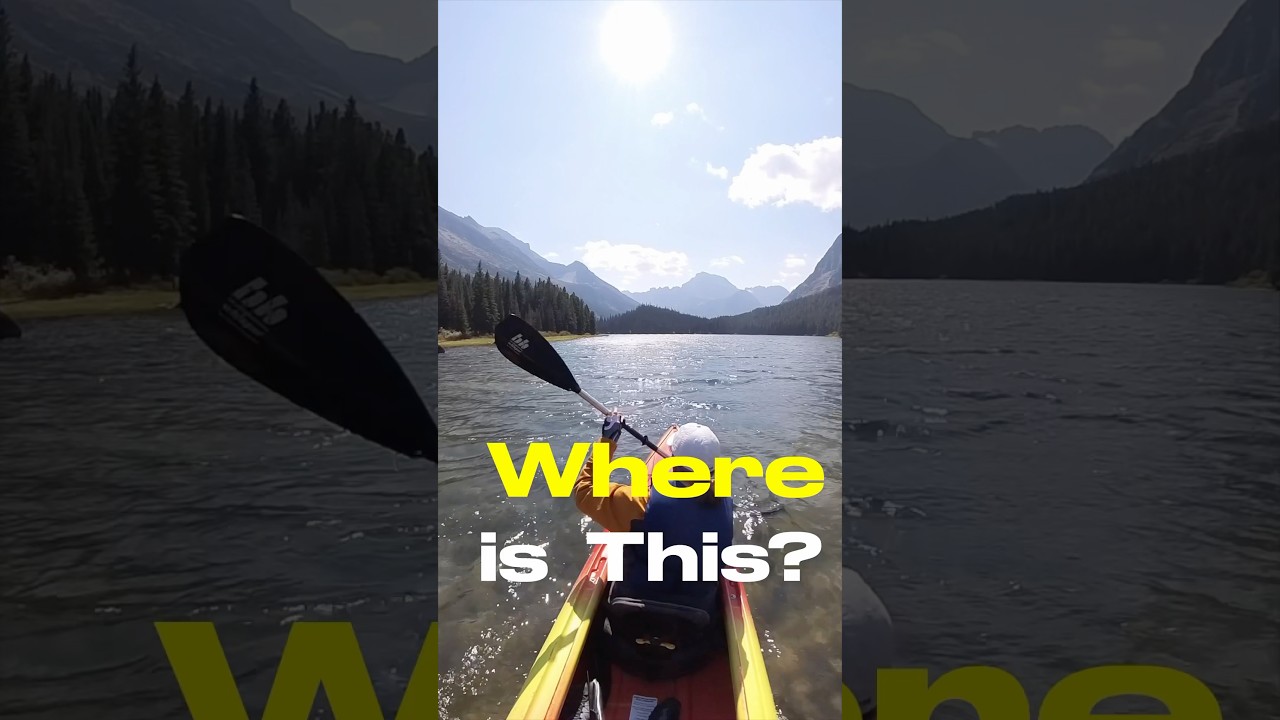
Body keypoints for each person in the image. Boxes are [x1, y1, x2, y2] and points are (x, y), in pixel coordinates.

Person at [572, 412, 732, 679]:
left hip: (628, 631)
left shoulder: (640, 503)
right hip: (691, 641)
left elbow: (584, 491)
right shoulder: (724, 505)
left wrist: (607, 441)